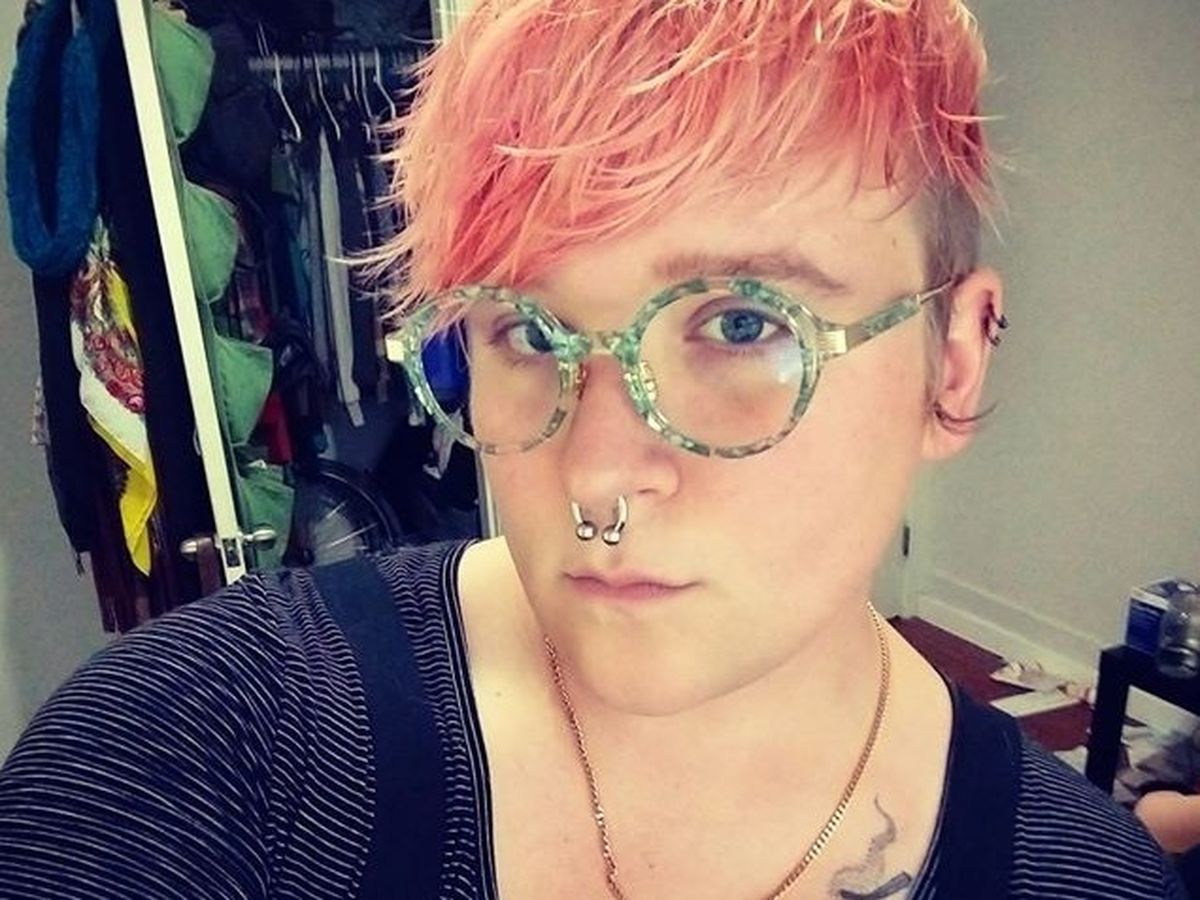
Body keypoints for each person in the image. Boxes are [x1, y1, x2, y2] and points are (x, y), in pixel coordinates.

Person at [0, 1, 1187, 898]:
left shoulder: (1089, 876)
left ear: (955, 362)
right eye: (527, 329)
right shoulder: (197, 746)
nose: (600, 477)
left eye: (744, 324)